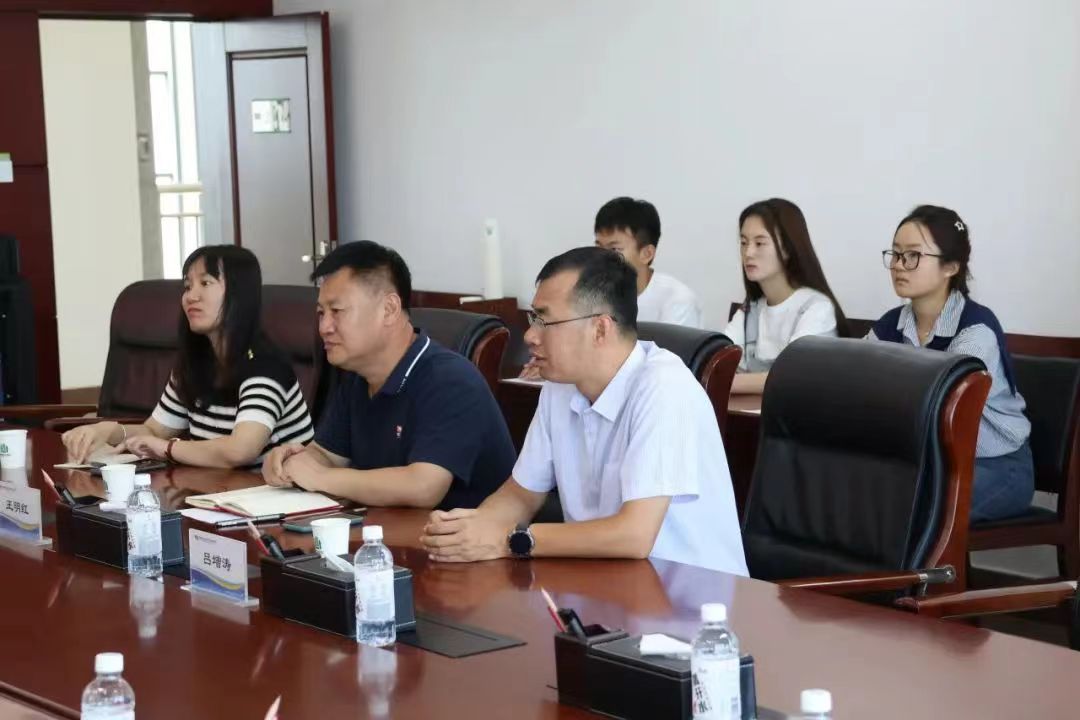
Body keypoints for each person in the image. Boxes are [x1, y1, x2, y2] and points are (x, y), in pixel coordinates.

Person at [421, 247, 747, 574]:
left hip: (692, 597)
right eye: (533, 319)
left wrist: (509, 540)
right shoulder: (560, 386)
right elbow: (521, 495)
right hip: (601, 580)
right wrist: (469, 531)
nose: (531, 335)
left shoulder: (664, 387)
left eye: (545, 320)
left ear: (600, 329)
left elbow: (634, 535)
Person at [261, 241, 516, 510]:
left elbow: (423, 487)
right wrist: (291, 463)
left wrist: (322, 477)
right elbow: (326, 455)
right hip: (387, 529)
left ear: (389, 309)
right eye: (321, 313)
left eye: (337, 311)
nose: (324, 327)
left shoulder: (451, 380)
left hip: (467, 535)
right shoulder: (358, 376)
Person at [62, 246, 315, 468]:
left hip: (275, 498)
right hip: (215, 493)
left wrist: (168, 448)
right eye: (187, 286)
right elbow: (154, 430)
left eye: (205, 283)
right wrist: (109, 431)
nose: (190, 296)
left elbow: (239, 451)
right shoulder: (195, 363)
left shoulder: (265, 366)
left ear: (239, 294)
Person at [869, 205, 1033, 522]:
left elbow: (940, 402)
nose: (899, 265)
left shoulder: (975, 330)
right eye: (896, 254)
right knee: (860, 486)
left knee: (904, 503)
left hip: (1000, 467)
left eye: (913, 255)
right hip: (934, 462)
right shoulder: (892, 324)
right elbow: (853, 374)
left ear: (951, 266)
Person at [724, 198, 848, 394]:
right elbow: (717, 357)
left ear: (787, 249)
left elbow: (792, 375)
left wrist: (722, 383)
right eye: (744, 243)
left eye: (759, 243)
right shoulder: (752, 309)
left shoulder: (816, 308)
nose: (748, 253)